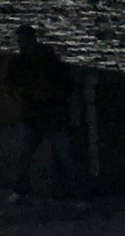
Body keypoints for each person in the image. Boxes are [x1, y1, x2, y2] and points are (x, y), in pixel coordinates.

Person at [7, 24, 79, 196]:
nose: (21, 45)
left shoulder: (40, 62)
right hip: (40, 114)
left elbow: (64, 85)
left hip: (47, 114)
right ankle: (66, 190)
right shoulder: (34, 61)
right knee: (36, 154)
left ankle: (68, 190)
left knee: (52, 154)